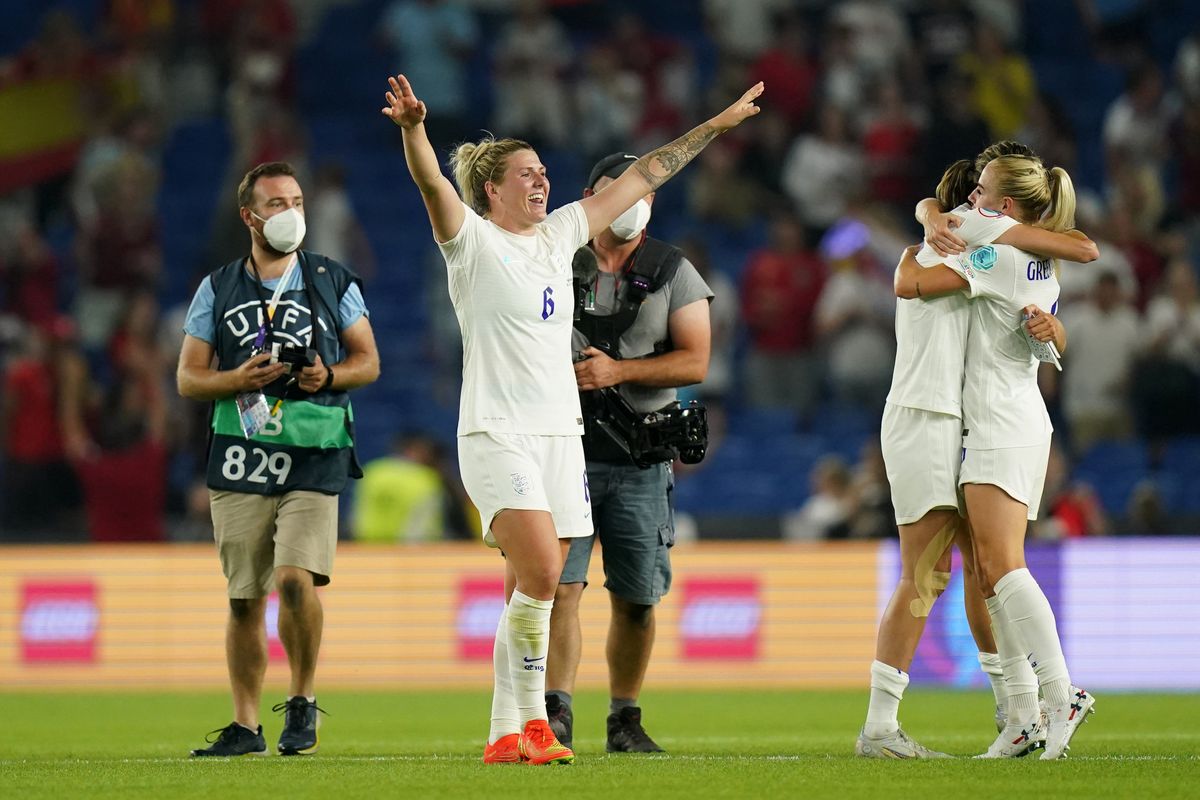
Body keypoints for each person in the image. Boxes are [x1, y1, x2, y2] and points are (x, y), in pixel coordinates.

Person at [381, 73, 762, 765]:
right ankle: (528, 720)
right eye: (526, 174)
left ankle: (509, 731)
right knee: (540, 575)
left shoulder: (560, 236)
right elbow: (433, 184)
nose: (541, 182)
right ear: (492, 190)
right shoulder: (470, 241)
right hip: (497, 432)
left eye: (545, 172)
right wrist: (414, 131)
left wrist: (719, 125)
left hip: (563, 438)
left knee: (545, 584)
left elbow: (647, 171)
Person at [856, 146, 1098, 759]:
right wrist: (929, 219)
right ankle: (885, 724)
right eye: (962, 200)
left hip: (970, 423)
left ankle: (1020, 709)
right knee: (933, 572)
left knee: (987, 569)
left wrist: (932, 218)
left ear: (996, 209)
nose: (965, 208)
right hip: (930, 415)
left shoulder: (994, 250)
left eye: (973, 199)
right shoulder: (968, 246)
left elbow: (1043, 304)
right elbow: (907, 281)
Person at [178, 161, 380, 757]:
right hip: (241, 451)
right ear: (249, 216)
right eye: (275, 204)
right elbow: (188, 378)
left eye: (296, 200)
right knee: (244, 596)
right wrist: (235, 378)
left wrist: (330, 374)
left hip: (315, 447)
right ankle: (244, 726)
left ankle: (301, 700)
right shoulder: (216, 287)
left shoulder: (333, 280)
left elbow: (368, 361)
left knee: (294, 581)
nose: (290, 212)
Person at [543, 151, 715, 754]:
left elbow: (696, 360)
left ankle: (624, 718)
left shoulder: (673, 268)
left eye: (638, 188)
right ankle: (555, 713)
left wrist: (619, 371)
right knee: (560, 588)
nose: (628, 200)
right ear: (589, 196)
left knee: (638, 599)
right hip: (564, 450)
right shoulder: (552, 256)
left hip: (640, 456)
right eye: (613, 190)